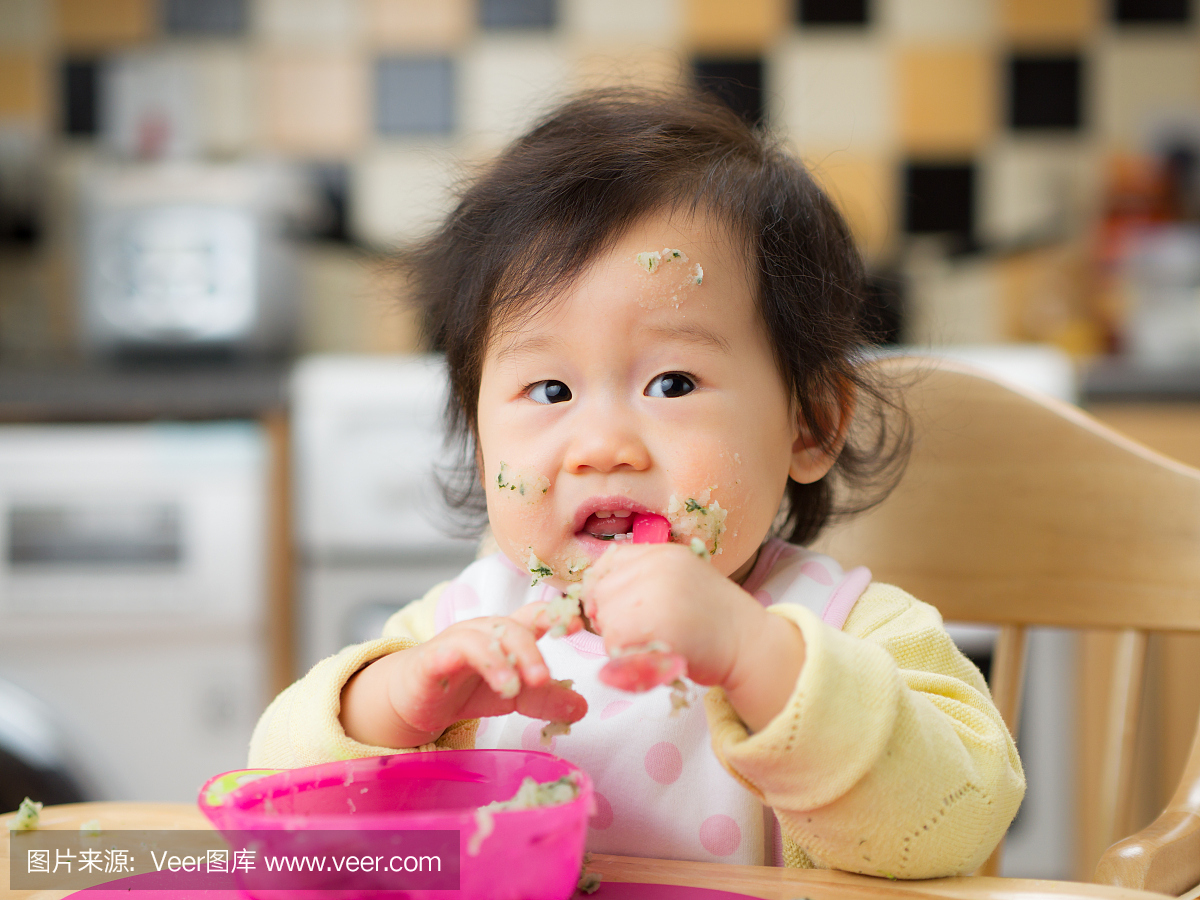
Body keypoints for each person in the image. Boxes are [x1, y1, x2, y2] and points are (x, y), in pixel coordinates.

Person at [250, 89, 1024, 877]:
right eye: (550, 391)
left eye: (673, 383)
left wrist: (755, 656)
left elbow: (955, 821)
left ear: (809, 424)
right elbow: (280, 805)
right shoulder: (464, 632)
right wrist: (390, 708)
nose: (602, 448)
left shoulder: (853, 631)